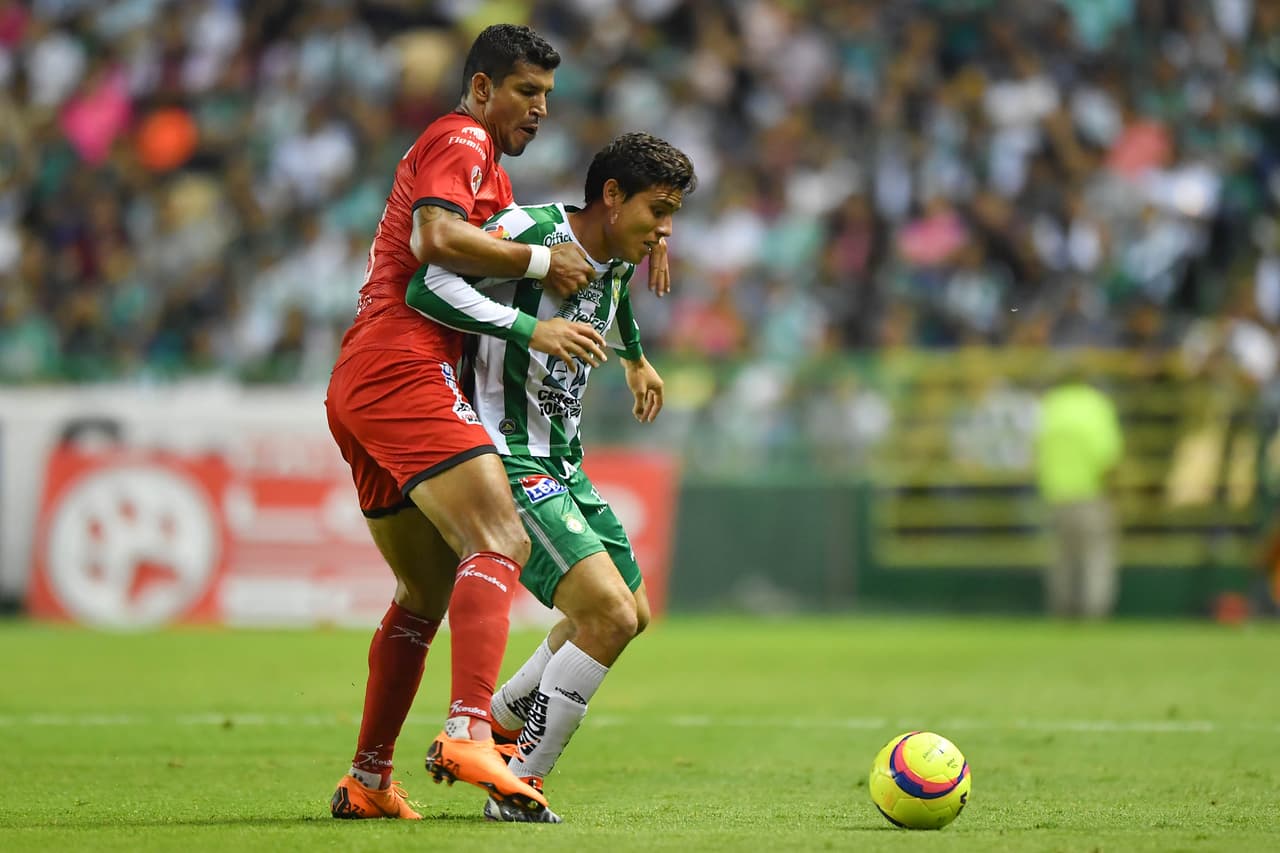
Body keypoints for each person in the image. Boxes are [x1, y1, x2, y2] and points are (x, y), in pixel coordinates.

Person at [325, 24, 670, 821]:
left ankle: (369, 777)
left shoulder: (499, 191)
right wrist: (544, 276)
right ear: (481, 88)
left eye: (549, 94)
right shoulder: (461, 138)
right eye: (526, 91)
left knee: (422, 590)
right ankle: (472, 729)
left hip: (368, 378)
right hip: (403, 362)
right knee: (500, 539)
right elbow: (434, 243)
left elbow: (556, 259)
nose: (541, 108)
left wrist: (626, 307)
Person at [406, 131, 697, 822]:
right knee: (606, 613)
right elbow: (427, 286)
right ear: (611, 195)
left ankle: (505, 720)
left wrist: (634, 357)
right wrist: (527, 329)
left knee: (633, 614)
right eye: (658, 211)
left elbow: (613, 289)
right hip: (507, 457)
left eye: (674, 216)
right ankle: (519, 784)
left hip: (564, 457)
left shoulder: (619, 250)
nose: (665, 230)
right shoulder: (529, 232)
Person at [1033, 362, 1124, 618]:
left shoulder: (1050, 406)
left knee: (1061, 558)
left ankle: (1062, 610)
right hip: (1090, 491)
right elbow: (1108, 454)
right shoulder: (1096, 405)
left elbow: (1035, 449)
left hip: (1055, 492)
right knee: (1095, 556)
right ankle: (1093, 612)